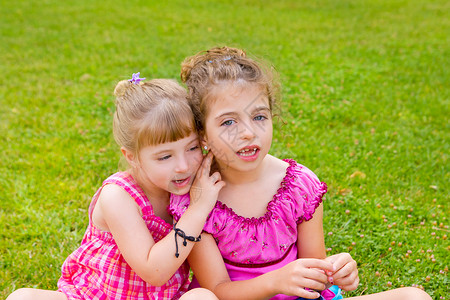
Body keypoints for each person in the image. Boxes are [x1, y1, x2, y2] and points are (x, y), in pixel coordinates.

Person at [169, 47, 432, 300]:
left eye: (259, 117)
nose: (248, 132)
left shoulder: (297, 185)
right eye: (228, 122)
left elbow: (315, 267)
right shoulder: (199, 197)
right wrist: (275, 281)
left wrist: (338, 269)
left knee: (414, 296)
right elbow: (217, 289)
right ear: (202, 133)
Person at [7, 74, 223, 300]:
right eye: (165, 157)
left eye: (192, 148)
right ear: (131, 156)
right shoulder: (118, 195)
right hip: (93, 297)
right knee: (22, 297)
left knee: (202, 297)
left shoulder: (196, 185)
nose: (183, 166)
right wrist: (198, 209)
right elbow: (153, 271)